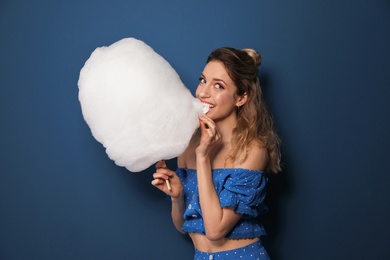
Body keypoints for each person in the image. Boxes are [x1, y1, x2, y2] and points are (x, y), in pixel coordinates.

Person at [152, 47, 281, 259]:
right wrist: (177, 199)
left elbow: (215, 231)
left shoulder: (252, 149)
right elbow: (185, 227)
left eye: (218, 86)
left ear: (241, 98)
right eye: (203, 80)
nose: (203, 92)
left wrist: (203, 157)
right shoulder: (187, 143)